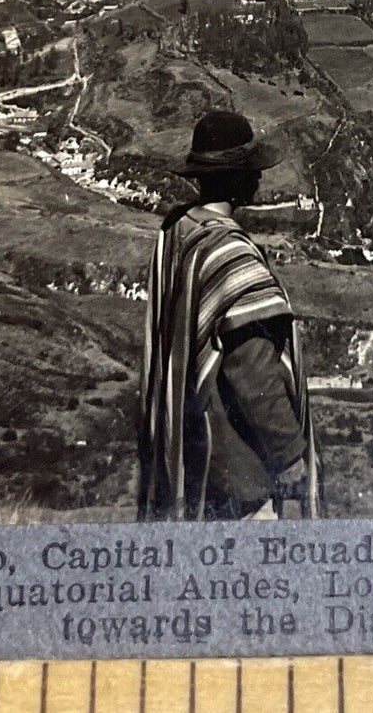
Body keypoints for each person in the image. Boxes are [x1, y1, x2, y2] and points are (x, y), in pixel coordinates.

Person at [138, 109, 319, 521]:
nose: (257, 179)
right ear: (235, 178)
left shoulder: (176, 233)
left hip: (192, 460)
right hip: (239, 468)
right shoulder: (231, 255)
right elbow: (252, 369)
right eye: (249, 171)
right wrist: (289, 454)